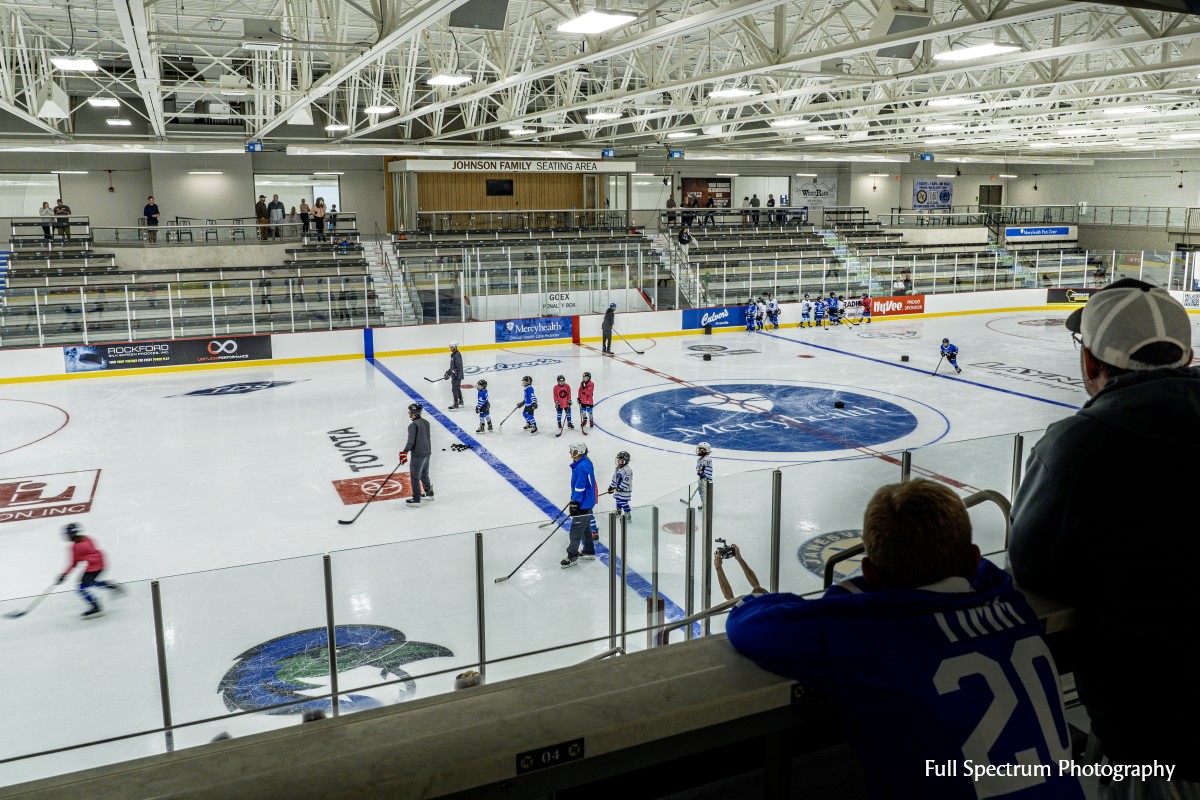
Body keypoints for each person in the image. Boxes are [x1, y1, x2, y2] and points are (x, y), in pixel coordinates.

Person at [727, 480, 1083, 800]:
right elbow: (987, 574)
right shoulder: (1010, 605)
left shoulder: (868, 634)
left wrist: (852, 593)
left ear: (869, 572)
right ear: (974, 558)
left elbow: (748, 626)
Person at [1009, 278, 1199, 794]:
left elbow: (1033, 566)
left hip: (1160, 734)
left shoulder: (1076, 449)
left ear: (1090, 363)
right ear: (1184, 359)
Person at [57, 523, 124, 619]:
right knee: (89, 583)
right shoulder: (87, 538)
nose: (67, 536)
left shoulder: (75, 547)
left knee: (81, 588)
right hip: (101, 563)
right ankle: (111, 586)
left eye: (67, 534)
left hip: (93, 567)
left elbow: (74, 563)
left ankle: (96, 607)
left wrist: (64, 575)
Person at [560, 441, 597, 568]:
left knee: (575, 532)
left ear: (578, 452)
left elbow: (580, 487)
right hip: (588, 501)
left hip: (582, 503)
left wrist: (575, 502)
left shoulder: (581, 467)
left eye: (572, 451)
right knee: (585, 527)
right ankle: (588, 551)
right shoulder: (586, 461)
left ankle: (572, 556)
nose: (570, 453)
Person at [399, 402, 433, 506]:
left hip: (418, 454)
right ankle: (429, 493)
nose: (409, 413)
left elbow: (410, 442)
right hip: (427, 452)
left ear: (413, 414)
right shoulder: (426, 422)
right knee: (424, 473)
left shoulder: (412, 425)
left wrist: (404, 453)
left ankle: (416, 499)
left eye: (410, 412)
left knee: (415, 476)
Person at [605, 451, 633, 519]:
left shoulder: (628, 470)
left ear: (624, 460)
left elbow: (627, 480)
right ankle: (619, 512)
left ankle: (627, 514)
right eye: (617, 459)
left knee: (623, 501)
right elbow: (615, 478)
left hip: (624, 490)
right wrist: (611, 486)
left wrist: (621, 487)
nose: (618, 461)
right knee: (617, 500)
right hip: (618, 489)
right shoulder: (617, 468)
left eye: (619, 459)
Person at [446, 341, 464, 409]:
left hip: (457, 375)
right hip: (455, 375)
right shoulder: (453, 354)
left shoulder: (457, 355)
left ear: (456, 347)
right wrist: (448, 372)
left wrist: (454, 372)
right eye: (450, 347)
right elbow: (453, 366)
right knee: (457, 388)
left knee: (454, 389)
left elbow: (459, 366)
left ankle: (456, 403)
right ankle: (461, 400)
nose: (451, 348)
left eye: (452, 347)